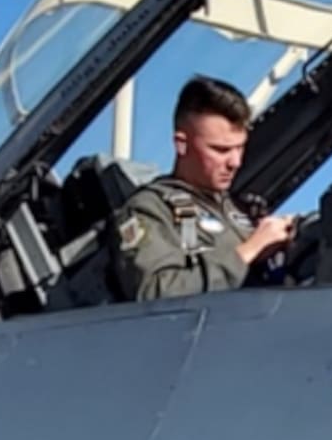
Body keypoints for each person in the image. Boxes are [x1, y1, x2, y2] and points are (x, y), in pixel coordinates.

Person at [113, 76, 295, 301]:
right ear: (182, 144)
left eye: (240, 148)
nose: (235, 162)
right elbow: (156, 294)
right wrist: (247, 252)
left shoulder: (242, 209)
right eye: (221, 150)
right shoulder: (150, 210)